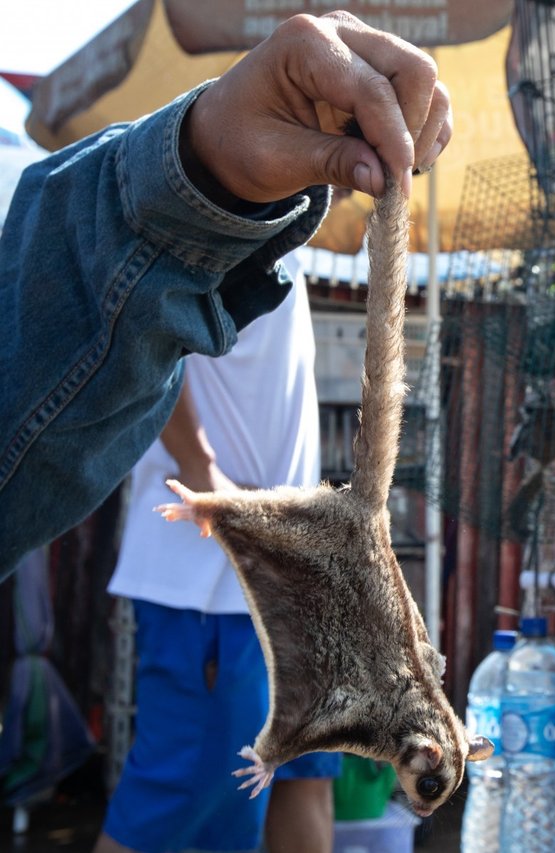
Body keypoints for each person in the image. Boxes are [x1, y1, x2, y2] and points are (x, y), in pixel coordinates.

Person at [0, 11, 452, 578]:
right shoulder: (230, 257)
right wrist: (202, 468)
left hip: (262, 547)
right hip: (189, 538)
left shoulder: (280, 256)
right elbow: (147, 341)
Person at [94, 251, 340, 853]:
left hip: (286, 572)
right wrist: (202, 472)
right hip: (209, 578)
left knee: (300, 783)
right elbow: (143, 329)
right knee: (175, 807)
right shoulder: (206, 180)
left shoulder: (292, 204)